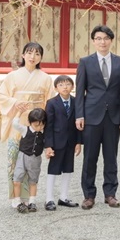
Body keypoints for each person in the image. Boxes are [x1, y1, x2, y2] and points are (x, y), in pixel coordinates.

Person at [75, 25, 120, 210]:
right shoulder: (85, 62)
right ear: (93, 41)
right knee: (90, 157)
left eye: (105, 38)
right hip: (91, 116)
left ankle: (110, 194)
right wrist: (79, 114)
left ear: (111, 40)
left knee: (111, 157)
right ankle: (89, 195)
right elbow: (80, 90)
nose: (102, 42)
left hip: (113, 116)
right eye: (98, 38)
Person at [0, 42, 54, 208]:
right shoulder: (13, 76)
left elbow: (49, 103)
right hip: (18, 122)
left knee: (32, 161)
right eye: (29, 52)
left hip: (36, 125)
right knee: (14, 161)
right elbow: (1, 95)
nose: (32, 56)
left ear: (40, 58)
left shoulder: (45, 78)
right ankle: (15, 197)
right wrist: (15, 102)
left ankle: (30, 198)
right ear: (23, 55)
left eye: (37, 53)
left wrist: (44, 124)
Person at [43, 75, 82, 211]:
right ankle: (49, 199)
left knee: (68, 169)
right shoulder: (52, 103)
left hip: (71, 141)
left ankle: (64, 197)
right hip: (56, 141)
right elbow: (48, 125)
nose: (65, 87)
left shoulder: (76, 101)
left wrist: (78, 142)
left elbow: (79, 122)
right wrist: (48, 145)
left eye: (67, 84)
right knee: (53, 170)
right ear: (56, 88)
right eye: (61, 85)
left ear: (72, 86)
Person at [11, 108, 47, 213]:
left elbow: (45, 145)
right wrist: (19, 112)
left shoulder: (44, 132)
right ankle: (17, 201)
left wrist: (47, 152)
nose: (39, 127)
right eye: (36, 125)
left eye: (41, 125)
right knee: (17, 179)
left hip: (36, 158)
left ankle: (32, 202)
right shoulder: (25, 130)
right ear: (30, 123)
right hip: (22, 157)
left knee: (33, 181)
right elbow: (14, 124)